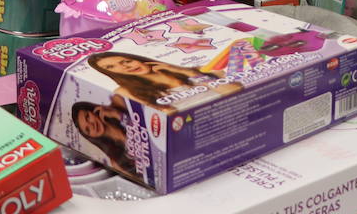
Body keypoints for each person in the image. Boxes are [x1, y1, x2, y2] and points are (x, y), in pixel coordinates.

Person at [87, 52, 241, 107]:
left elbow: (236, 91)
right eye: (112, 68)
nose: (125, 67)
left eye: (126, 61)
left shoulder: (196, 71)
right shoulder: (125, 92)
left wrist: (180, 70)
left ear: (137, 58)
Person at [71, 97, 139, 178]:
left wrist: (117, 115)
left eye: (88, 117)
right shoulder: (116, 161)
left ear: (93, 109)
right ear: (90, 136)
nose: (92, 125)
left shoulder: (118, 101)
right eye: (88, 129)